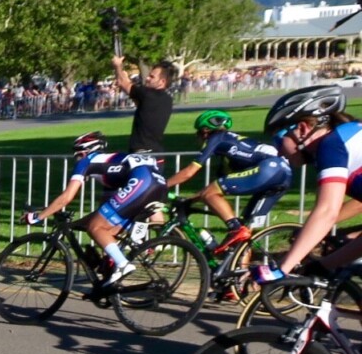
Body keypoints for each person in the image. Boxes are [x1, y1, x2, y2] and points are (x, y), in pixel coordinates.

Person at [21, 132, 167, 285]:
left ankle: (123, 265)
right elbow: (106, 209)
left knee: (95, 227)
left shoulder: (87, 161)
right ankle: (122, 257)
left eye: (76, 154)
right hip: (158, 184)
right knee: (102, 227)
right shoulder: (111, 165)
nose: (76, 159)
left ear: (84, 152)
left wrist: (37, 217)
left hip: (141, 183)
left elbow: (67, 196)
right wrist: (77, 224)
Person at [252, 85, 362, 283]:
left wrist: (282, 269)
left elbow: (327, 211)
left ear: (301, 129)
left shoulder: (332, 145)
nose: (278, 152)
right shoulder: (348, 137)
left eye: (278, 141)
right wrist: (322, 266)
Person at [162, 110, 293, 255]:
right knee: (244, 236)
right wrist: (191, 199)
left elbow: (189, 172)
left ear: (205, 131)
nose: (197, 137)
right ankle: (239, 274)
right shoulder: (230, 149)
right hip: (283, 174)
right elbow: (213, 189)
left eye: (198, 133)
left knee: (237, 229)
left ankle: (234, 227)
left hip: (269, 168)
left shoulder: (217, 138)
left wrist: (162, 186)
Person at [114, 56, 176, 153]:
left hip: (141, 152)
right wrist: (124, 77)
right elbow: (140, 103)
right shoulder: (168, 99)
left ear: (162, 82)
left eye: (152, 77)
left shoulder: (147, 94)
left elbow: (122, 83)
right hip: (156, 152)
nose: (147, 78)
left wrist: (117, 66)